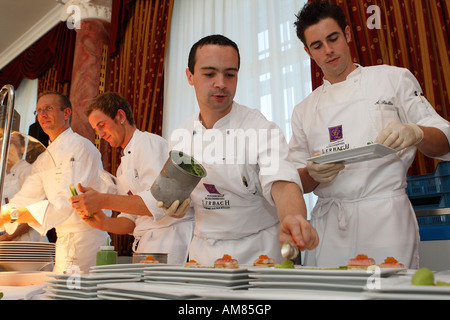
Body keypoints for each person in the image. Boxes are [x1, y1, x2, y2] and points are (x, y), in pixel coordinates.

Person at [288, 1, 450, 268]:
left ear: (348, 34)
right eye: (317, 46)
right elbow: (296, 181)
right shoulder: (304, 110)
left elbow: (444, 138)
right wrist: (311, 174)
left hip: (386, 220)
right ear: (308, 52)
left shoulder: (392, 79)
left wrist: (417, 132)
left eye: (333, 38)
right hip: (331, 226)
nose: (328, 51)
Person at [165, 34, 318, 266]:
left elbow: (283, 183)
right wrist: (174, 208)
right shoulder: (180, 137)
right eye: (209, 74)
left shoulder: (259, 127)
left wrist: (294, 217)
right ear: (190, 76)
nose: (221, 83)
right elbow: (176, 199)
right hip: (205, 255)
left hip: (260, 253)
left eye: (230, 74)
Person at [69, 92, 194, 265]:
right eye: (96, 129)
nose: (100, 134)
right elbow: (130, 222)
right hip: (146, 244)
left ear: (120, 116)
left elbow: (160, 202)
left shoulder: (147, 143)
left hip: (169, 240)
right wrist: (102, 222)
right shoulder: (122, 168)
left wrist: (103, 200)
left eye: (102, 125)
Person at [0, 91, 112, 273]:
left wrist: (13, 214)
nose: (42, 115)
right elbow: (26, 197)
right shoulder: (44, 159)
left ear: (66, 113)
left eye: (48, 109)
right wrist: (5, 214)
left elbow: (66, 202)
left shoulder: (80, 147)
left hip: (87, 241)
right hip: (63, 242)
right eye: (38, 111)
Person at [0, 132, 47, 242]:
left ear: (22, 149)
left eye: (12, 143)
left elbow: (38, 212)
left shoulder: (28, 171)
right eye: (5, 143)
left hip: (28, 240)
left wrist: (9, 236)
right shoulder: (3, 176)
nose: (8, 147)